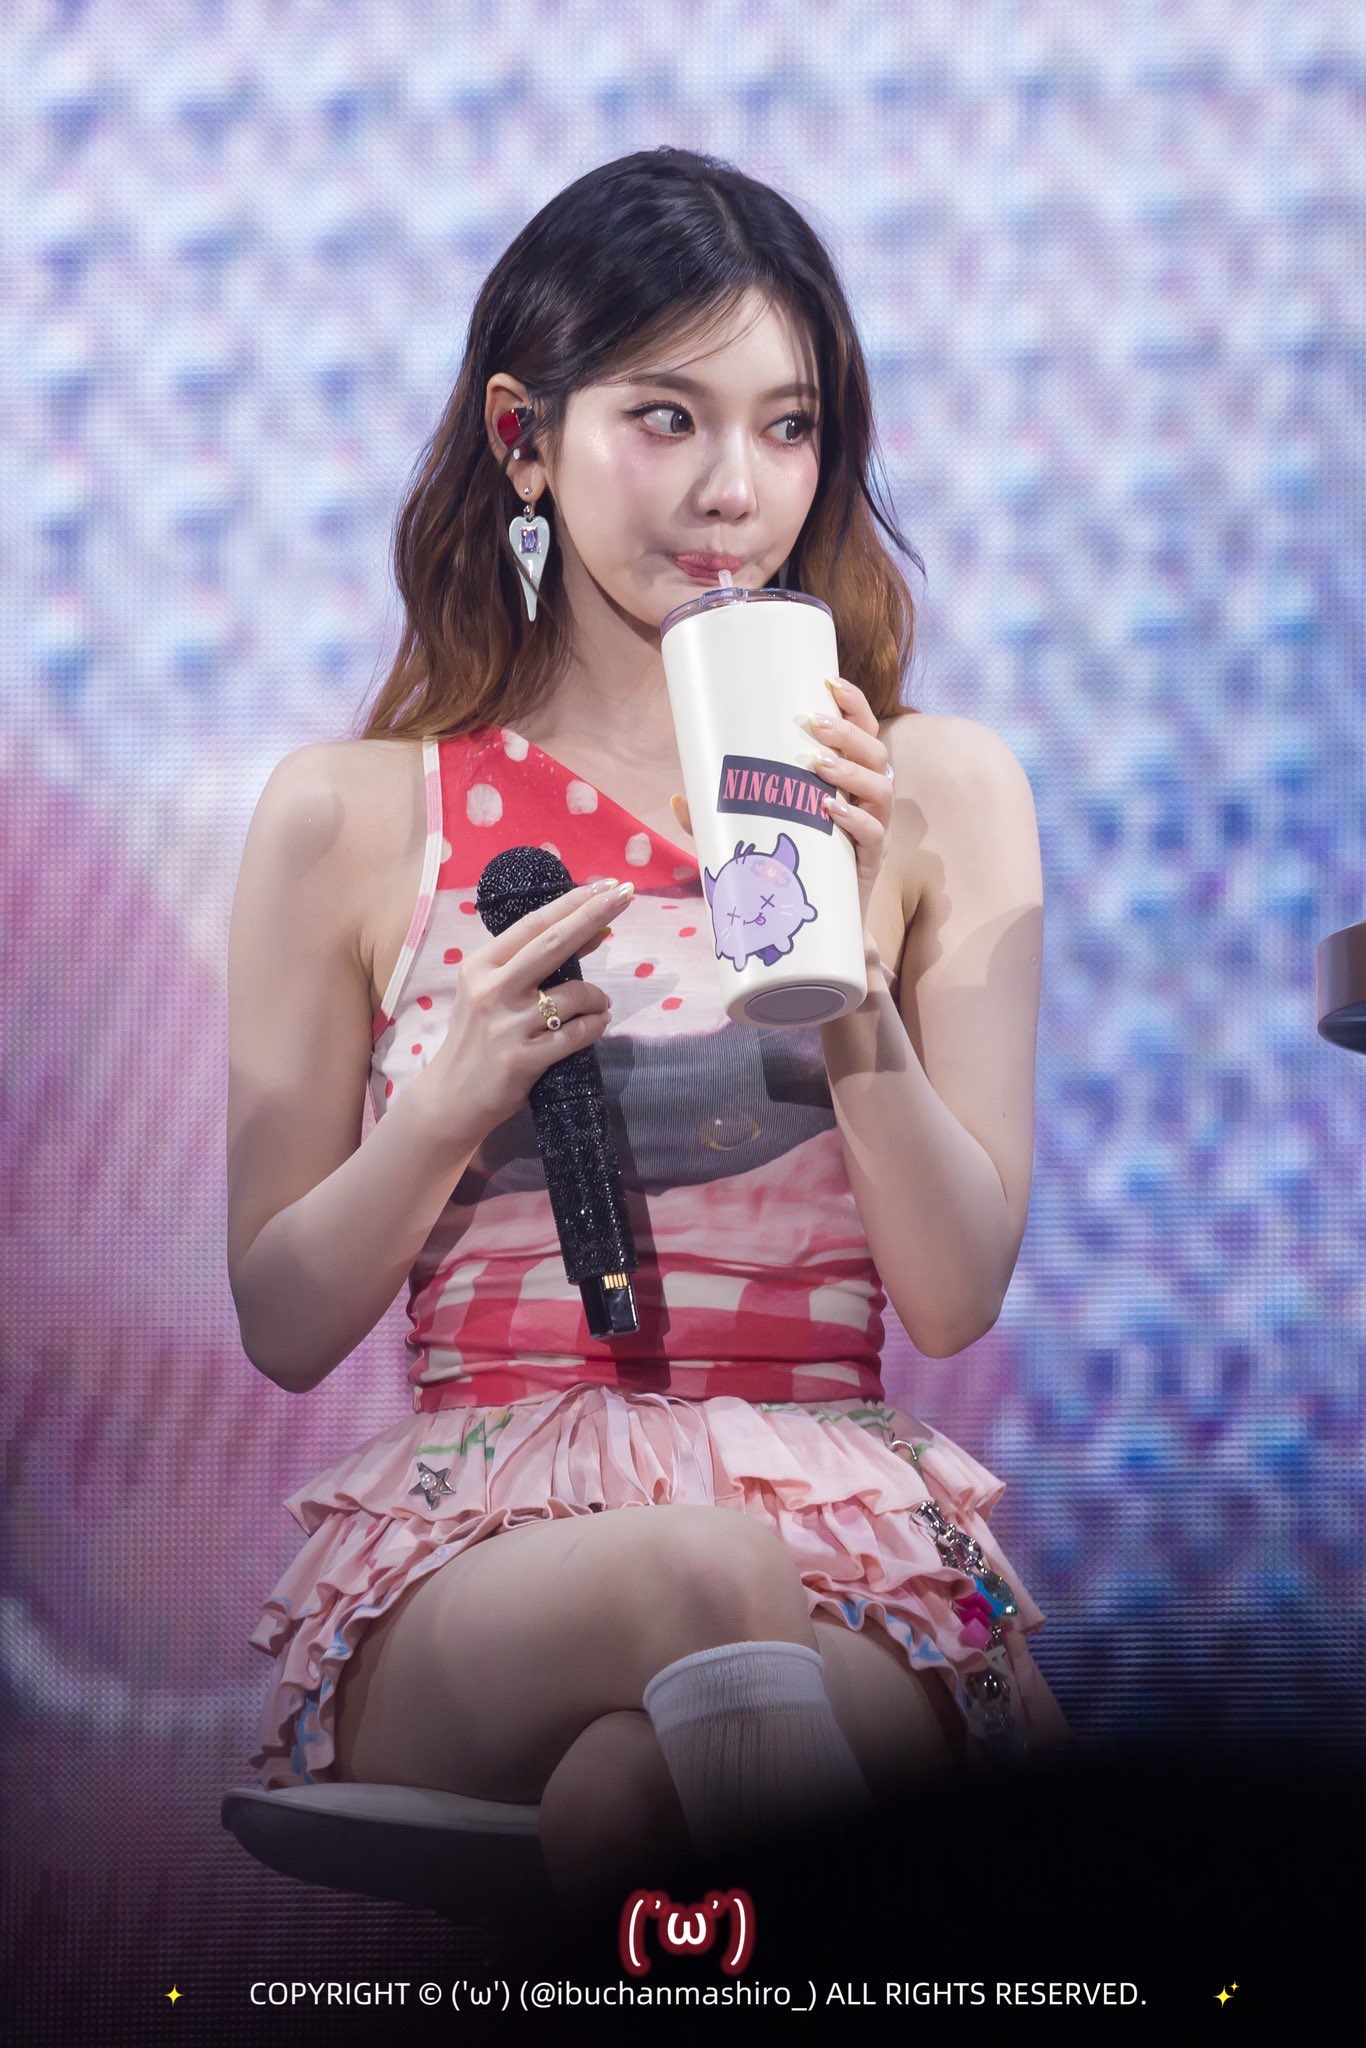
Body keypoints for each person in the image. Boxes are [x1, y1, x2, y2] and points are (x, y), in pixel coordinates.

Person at [230, 145, 1069, 1931]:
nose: (732, 491)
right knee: (696, 1582)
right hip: (482, 1546)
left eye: (786, 426)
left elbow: (951, 1298)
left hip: (843, 1531)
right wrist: (445, 1103)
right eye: (665, 420)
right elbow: (283, 1320)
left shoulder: (932, 787)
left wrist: (846, 988)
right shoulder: (351, 815)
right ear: (522, 438)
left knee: (634, 1794)